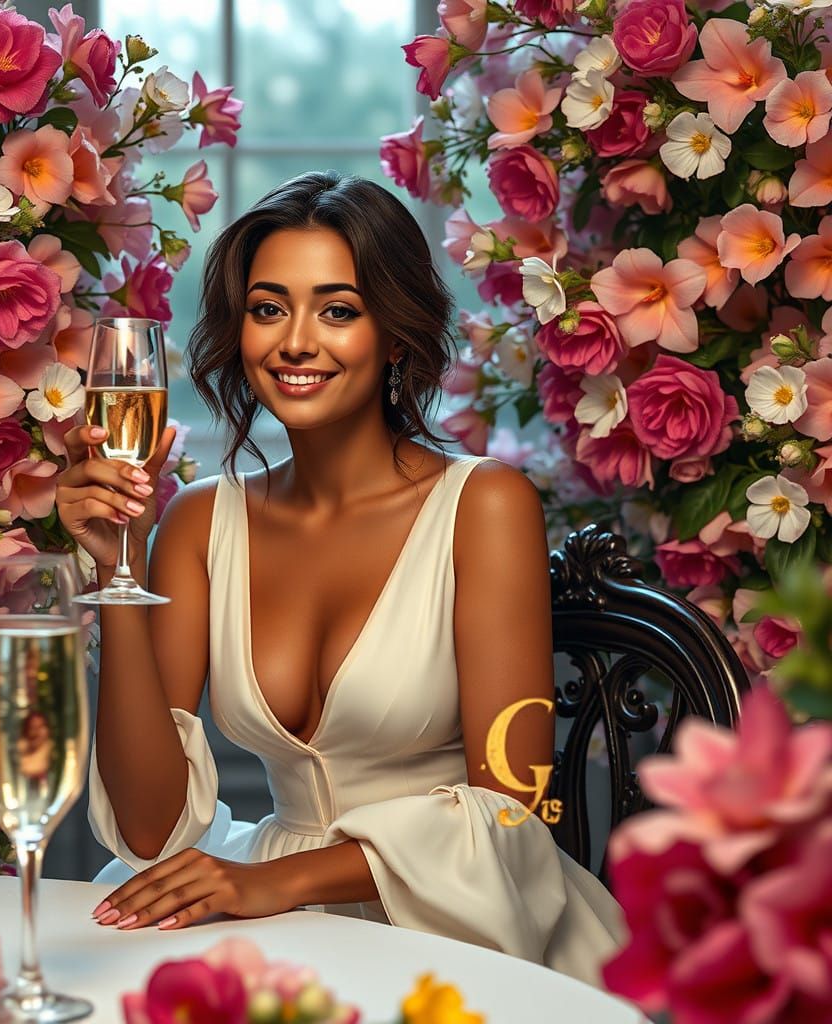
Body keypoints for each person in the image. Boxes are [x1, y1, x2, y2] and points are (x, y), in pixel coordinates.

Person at [55, 171, 626, 986]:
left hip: (457, 912)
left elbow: (512, 804)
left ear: (395, 333)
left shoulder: (483, 506)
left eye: (337, 310)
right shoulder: (197, 523)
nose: (294, 342)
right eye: (266, 308)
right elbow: (149, 830)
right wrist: (118, 562)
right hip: (274, 919)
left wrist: (274, 881)